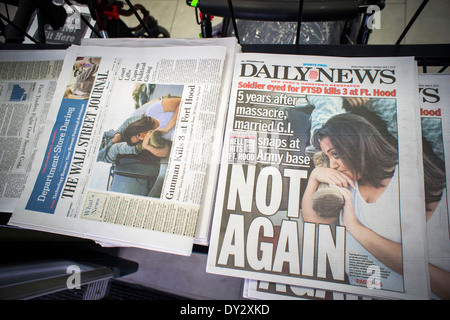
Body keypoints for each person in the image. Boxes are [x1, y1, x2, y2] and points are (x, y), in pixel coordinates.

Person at [301, 113, 403, 290]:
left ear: (358, 145)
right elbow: (315, 223)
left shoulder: (404, 181)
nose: (332, 165)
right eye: (329, 157)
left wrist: (353, 226)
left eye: (336, 154)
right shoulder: (347, 181)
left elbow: (423, 270)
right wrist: (314, 177)